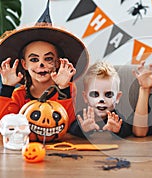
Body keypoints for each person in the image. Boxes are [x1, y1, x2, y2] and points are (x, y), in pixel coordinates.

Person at [0, 1, 89, 131]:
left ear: (58, 63)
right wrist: (7, 88)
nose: (41, 64)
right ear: (24, 64)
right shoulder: (19, 95)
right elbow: (4, 124)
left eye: (48, 59)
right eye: (34, 59)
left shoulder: (70, 90)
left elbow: (68, 125)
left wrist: (63, 88)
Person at [69, 61, 132, 138]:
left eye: (108, 94)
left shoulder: (115, 117)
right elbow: (71, 129)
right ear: (85, 97)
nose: (101, 99)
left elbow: (128, 130)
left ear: (117, 97)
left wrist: (118, 130)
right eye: (95, 94)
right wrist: (83, 129)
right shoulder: (83, 116)